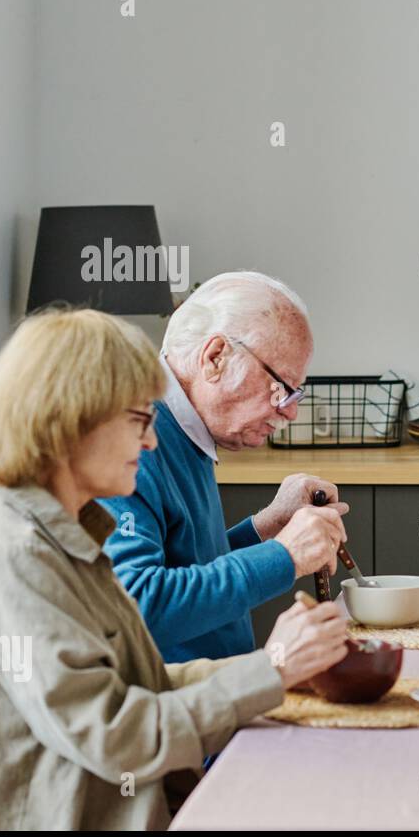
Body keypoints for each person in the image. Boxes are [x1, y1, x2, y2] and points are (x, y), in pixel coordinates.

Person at [0, 309, 348, 829]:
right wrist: (270, 669)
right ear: (71, 419)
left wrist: (275, 676)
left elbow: (138, 682)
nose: (150, 443)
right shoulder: (14, 554)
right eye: (138, 421)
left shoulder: (62, 525)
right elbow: (115, 737)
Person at [100, 271, 348, 662]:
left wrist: (266, 527)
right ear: (216, 357)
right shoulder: (132, 437)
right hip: (171, 706)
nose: (291, 410)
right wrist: (286, 554)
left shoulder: (185, 424)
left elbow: (188, 567)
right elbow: (137, 605)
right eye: (281, 385)